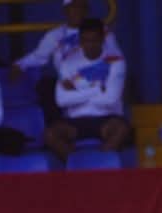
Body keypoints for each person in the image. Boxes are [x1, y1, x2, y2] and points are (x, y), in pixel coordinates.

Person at [44, 18, 131, 161]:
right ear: (80, 41)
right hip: (75, 120)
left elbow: (111, 99)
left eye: (94, 40)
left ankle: (102, 165)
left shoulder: (116, 61)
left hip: (106, 118)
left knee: (122, 129)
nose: (90, 45)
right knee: (50, 134)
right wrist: (96, 89)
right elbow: (61, 100)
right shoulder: (68, 63)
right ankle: (77, 166)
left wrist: (77, 91)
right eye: (85, 40)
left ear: (102, 39)